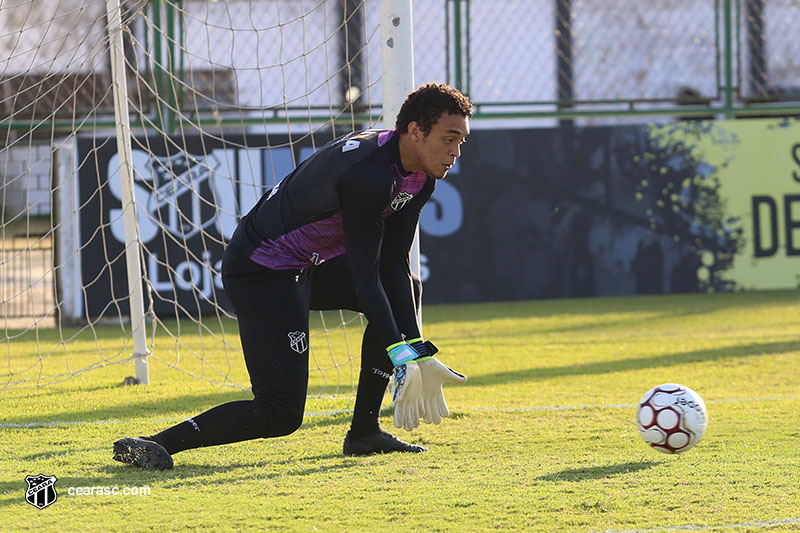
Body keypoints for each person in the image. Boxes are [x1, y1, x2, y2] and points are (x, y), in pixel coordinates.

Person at [113, 82, 472, 470]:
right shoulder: (368, 175)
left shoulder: (420, 175)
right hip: (261, 271)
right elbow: (368, 279)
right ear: (415, 131)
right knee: (280, 413)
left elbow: (393, 265)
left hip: (306, 265)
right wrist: (402, 357)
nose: (455, 152)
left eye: (462, 141)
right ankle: (151, 444)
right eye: (449, 139)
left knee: (407, 286)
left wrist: (415, 348)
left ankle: (365, 433)